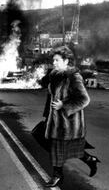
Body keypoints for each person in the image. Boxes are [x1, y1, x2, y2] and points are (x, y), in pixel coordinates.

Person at [42, 46, 100, 187]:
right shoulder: (54, 75)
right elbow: (51, 96)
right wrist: (47, 115)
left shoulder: (74, 76)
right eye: (53, 60)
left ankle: (61, 174)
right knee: (58, 149)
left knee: (72, 150)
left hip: (69, 123)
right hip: (55, 121)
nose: (54, 63)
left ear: (66, 60)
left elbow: (84, 99)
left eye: (57, 60)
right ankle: (59, 175)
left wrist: (64, 105)